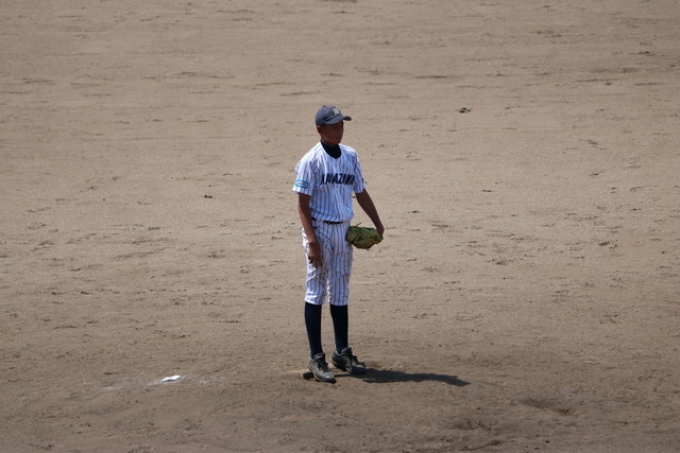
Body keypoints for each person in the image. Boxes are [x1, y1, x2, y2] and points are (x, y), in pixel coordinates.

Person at [292, 105, 385, 383]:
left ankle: (342, 352)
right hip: (319, 230)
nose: (339, 130)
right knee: (316, 291)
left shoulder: (351, 156)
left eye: (341, 125)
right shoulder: (310, 161)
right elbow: (302, 205)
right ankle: (316, 356)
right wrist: (311, 241)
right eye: (334, 126)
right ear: (320, 129)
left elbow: (360, 191)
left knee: (341, 291)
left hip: (344, 230)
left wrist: (378, 223)